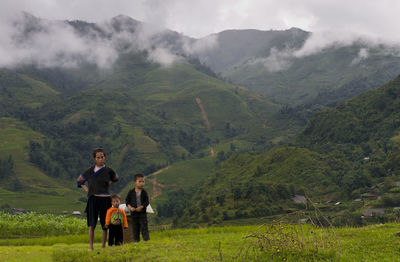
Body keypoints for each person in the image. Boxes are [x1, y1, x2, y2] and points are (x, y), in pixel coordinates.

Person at [76, 148, 119, 250]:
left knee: (105, 224)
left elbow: (116, 178)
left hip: (106, 199)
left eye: (102, 157)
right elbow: (79, 181)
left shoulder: (109, 170)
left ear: (105, 158)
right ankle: (91, 247)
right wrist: (87, 190)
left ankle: (103, 246)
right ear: (94, 159)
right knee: (91, 224)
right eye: (98, 158)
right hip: (93, 199)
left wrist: (108, 185)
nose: (100, 159)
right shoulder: (90, 171)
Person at [126, 173, 150, 242]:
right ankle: (136, 241)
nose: (142, 183)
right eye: (140, 181)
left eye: (143, 181)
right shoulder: (131, 192)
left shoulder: (144, 192)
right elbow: (127, 201)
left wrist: (141, 207)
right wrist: (130, 208)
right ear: (135, 182)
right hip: (134, 214)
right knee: (135, 228)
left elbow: (146, 202)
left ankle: (146, 240)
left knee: (144, 227)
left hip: (142, 213)